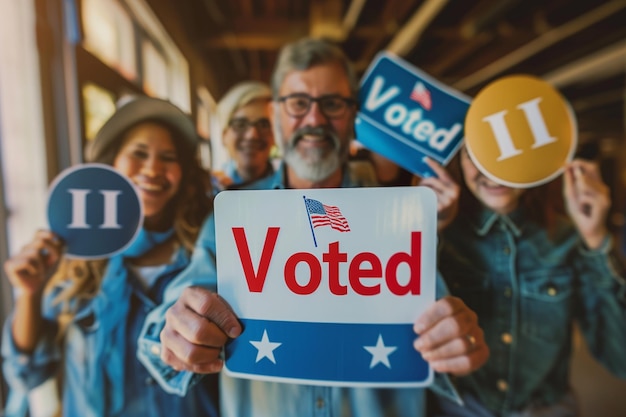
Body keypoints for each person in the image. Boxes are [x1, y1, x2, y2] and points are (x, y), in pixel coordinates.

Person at [136, 38, 489, 416]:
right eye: (298, 103)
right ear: (275, 114)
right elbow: (165, 329)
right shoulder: (233, 216)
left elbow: (440, 335)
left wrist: (456, 342)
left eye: (332, 104)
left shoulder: (398, 215)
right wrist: (173, 334)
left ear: (353, 115)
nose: (315, 120)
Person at [1, 96, 219, 416]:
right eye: (139, 153)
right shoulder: (77, 258)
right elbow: (27, 374)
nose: (152, 169)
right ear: (112, 164)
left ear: (184, 173)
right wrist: (30, 293)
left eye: (168, 157)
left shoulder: (206, 257)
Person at [430, 146, 626, 416]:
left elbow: (621, 359)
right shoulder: (442, 238)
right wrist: (429, 231)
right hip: (460, 409)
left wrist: (596, 239)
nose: (494, 171)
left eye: (510, 150)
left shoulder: (569, 238)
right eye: (478, 154)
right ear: (458, 161)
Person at [213, 81, 275, 190]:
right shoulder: (206, 194)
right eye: (240, 124)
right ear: (224, 135)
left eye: (263, 125)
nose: (252, 135)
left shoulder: (291, 189)